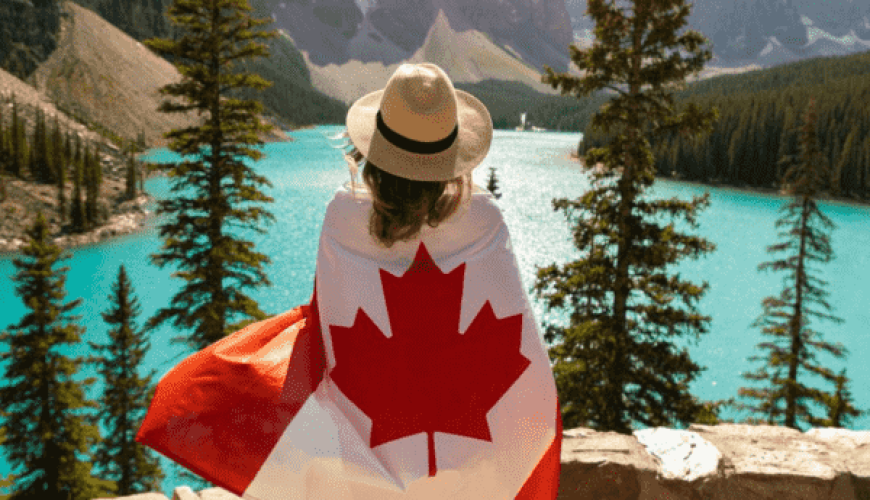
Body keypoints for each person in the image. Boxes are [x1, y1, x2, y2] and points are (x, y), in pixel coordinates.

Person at [136, 63, 561, 499]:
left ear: (372, 154)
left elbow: (326, 327)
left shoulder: (342, 216)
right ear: (452, 158)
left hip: (368, 462)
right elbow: (521, 347)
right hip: (478, 463)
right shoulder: (485, 219)